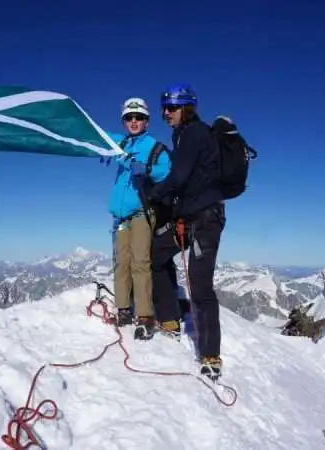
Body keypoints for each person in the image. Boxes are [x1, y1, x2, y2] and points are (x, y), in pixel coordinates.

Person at [147, 83, 226, 381]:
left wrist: (156, 193)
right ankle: (169, 318)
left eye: (173, 107)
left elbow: (179, 178)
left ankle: (210, 355)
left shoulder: (193, 133)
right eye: (164, 107)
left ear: (187, 108)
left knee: (200, 285)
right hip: (189, 218)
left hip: (205, 221)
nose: (166, 112)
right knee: (157, 253)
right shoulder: (182, 135)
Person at [104, 97, 171, 341]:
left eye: (139, 117)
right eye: (129, 117)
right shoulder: (119, 143)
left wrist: (147, 169)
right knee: (121, 262)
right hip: (120, 216)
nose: (134, 121)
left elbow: (168, 170)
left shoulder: (154, 147)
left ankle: (145, 316)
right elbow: (98, 135)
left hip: (142, 211)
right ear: (123, 120)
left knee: (140, 262)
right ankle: (123, 309)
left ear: (146, 120)